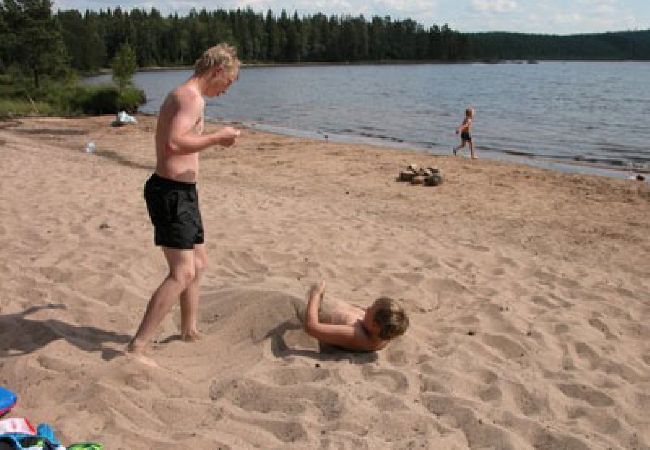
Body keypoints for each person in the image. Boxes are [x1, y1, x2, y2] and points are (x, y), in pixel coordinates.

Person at [127, 44, 241, 358]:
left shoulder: (189, 96)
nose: (226, 89)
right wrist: (218, 137)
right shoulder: (189, 97)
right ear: (217, 71)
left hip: (183, 194)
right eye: (228, 82)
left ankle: (188, 330)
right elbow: (174, 142)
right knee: (182, 273)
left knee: (199, 264)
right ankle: (138, 344)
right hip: (170, 192)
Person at [301, 281, 409, 351]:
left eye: (371, 309)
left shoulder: (356, 335)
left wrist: (316, 293)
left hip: (310, 307)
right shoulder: (383, 333)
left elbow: (311, 327)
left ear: (375, 326)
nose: (367, 308)